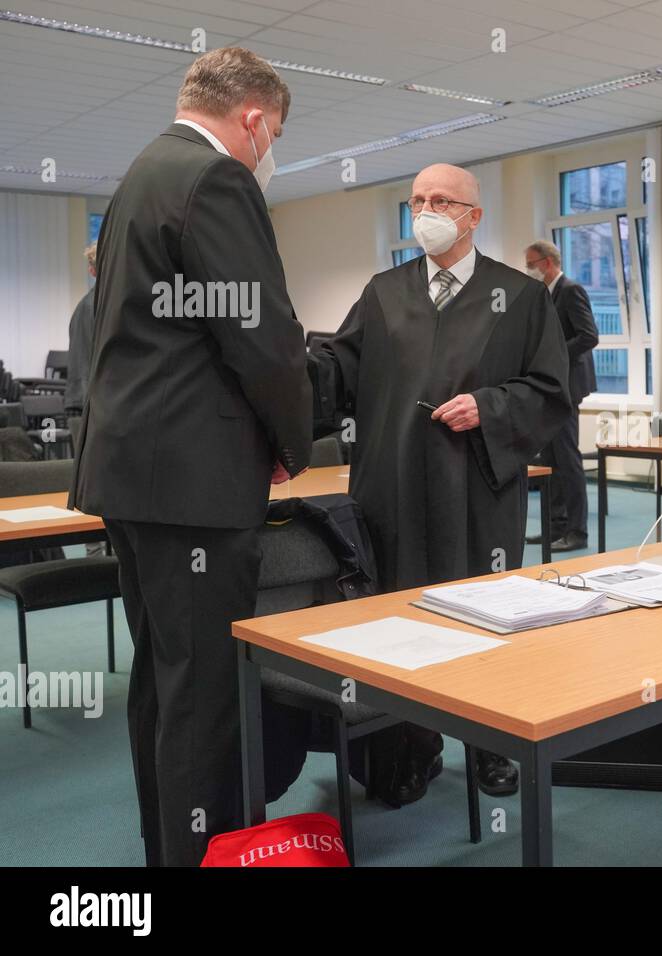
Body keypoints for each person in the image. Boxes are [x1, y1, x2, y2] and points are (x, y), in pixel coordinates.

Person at [69, 47, 313, 865]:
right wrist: (290, 440)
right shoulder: (217, 179)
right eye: (272, 133)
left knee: (164, 683)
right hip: (195, 486)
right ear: (253, 119)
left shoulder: (142, 173)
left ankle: (167, 848)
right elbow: (265, 338)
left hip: (133, 478)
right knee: (205, 693)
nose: (268, 150)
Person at [310, 163, 570, 800]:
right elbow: (339, 371)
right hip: (391, 485)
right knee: (400, 619)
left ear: (473, 217)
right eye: (418, 200)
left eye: (443, 201)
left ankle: (490, 745)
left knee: (480, 616)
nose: (427, 210)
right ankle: (409, 746)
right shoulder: (383, 291)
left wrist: (491, 406)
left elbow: (549, 389)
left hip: (475, 488)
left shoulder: (521, 296)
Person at [523, 240, 598, 552]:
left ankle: (577, 532)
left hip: (568, 386)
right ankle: (555, 526)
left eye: (531, 264)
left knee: (567, 461)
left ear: (547, 262)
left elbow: (589, 335)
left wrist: (554, 355)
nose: (528, 269)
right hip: (550, 388)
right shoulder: (546, 294)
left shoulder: (570, 289)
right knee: (551, 460)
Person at [65, 242, 97, 416]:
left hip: (82, 402)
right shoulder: (98, 307)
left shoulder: (84, 307)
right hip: (91, 407)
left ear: (91, 271)